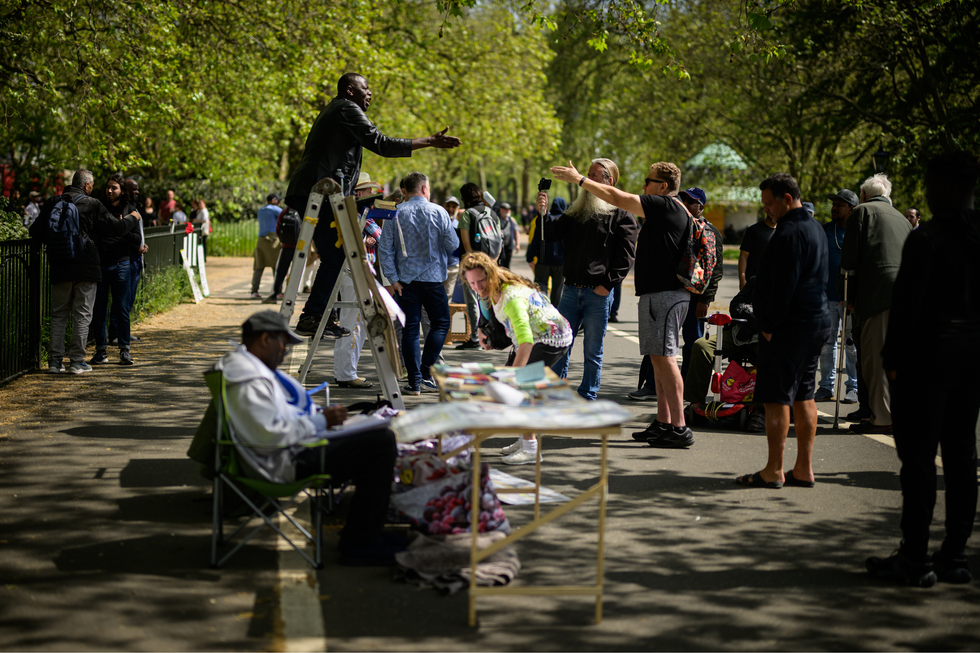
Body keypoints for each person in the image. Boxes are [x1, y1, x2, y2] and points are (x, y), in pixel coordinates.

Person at [866, 151, 979, 587]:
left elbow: (907, 309)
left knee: (917, 462)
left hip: (927, 362)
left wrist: (893, 363)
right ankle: (955, 555)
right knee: (962, 457)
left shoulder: (928, 239)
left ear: (943, 187)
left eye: (931, 185)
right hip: (972, 360)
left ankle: (915, 556)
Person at [214, 310, 401, 566]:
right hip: (285, 461)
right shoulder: (248, 379)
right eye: (283, 343)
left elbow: (275, 421)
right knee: (380, 443)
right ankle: (361, 541)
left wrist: (322, 420)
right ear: (265, 339)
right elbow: (270, 434)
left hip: (290, 451)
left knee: (375, 433)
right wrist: (321, 421)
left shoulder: (248, 369)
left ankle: (368, 534)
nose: (286, 351)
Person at [282, 72, 460, 338]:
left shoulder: (338, 111)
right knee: (336, 256)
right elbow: (382, 143)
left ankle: (314, 315)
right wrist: (429, 142)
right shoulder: (346, 108)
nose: (370, 93)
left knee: (334, 256)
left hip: (317, 190)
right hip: (319, 191)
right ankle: (314, 314)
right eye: (365, 88)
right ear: (350, 90)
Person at [550, 160, 690, 448]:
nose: (643, 187)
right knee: (658, 360)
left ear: (663, 187)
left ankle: (679, 427)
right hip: (654, 294)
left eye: (648, 182)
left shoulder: (666, 205)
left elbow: (617, 199)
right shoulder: (666, 210)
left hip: (665, 295)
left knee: (666, 360)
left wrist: (578, 179)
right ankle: (663, 422)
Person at [734, 173, 830, 488]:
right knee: (804, 395)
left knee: (777, 398)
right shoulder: (816, 228)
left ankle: (773, 469)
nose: (767, 211)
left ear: (786, 199)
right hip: (815, 322)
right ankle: (803, 468)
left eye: (769, 203)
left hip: (788, 326)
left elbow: (781, 287)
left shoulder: (788, 233)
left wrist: (770, 326)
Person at [539, 158, 639, 402]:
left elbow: (626, 257)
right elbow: (551, 235)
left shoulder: (623, 214)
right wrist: (543, 213)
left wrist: (607, 285)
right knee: (560, 345)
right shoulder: (576, 210)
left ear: (609, 182)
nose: (588, 179)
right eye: (588, 174)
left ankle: (588, 395)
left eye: (594, 176)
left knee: (593, 350)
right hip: (571, 290)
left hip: (598, 293)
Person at [461, 251, 573, 465]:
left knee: (521, 389)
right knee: (512, 384)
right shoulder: (495, 285)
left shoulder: (511, 298)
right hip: (533, 336)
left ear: (491, 274)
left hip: (550, 338)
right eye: (472, 283)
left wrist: (515, 378)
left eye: (481, 281)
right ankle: (525, 439)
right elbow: (499, 322)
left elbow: (526, 342)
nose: (477, 287)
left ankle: (531, 449)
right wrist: (483, 331)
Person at [28, 169, 141, 374]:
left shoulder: (54, 202)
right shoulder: (92, 204)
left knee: (59, 315)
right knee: (82, 314)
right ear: (87, 186)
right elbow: (116, 228)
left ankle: (54, 362)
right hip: (87, 268)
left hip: (60, 265)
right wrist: (134, 218)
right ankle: (77, 362)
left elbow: (34, 231)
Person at [840, 173, 912, 435]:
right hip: (905, 295)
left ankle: (882, 418)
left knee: (874, 358)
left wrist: (847, 296)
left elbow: (849, 261)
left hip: (876, 295)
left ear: (863, 195)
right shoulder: (902, 219)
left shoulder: (862, 212)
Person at [378, 171, 458, 395]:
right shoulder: (439, 212)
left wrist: (392, 279)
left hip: (405, 282)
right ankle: (425, 372)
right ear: (424, 189)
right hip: (433, 280)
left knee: (410, 330)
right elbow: (452, 243)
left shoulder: (394, 213)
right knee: (441, 324)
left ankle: (413, 381)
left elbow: (384, 249)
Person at [332, 173, 385, 389]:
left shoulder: (352, 212)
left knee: (351, 321)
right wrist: (367, 240)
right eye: (369, 191)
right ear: (359, 192)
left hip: (351, 271)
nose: (372, 195)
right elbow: (380, 235)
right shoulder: (358, 213)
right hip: (356, 271)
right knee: (354, 323)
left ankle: (343, 371)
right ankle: (346, 374)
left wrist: (366, 240)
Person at [90, 172, 143, 366]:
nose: (110, 190)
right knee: (99, 309)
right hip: (102, 264)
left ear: (121, 191)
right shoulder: (100, 208)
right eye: (108, 187)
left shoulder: (130, 209)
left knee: (121, 308)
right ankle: (101, 351)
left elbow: (137, 241)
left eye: (114, 188)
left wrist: (123, 229)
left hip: (122, 264)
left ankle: (124, 350)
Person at [814, 189, 860, 403]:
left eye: (840, 205)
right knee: (826, 344)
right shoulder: (824, 230)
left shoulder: (858, 231)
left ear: (851, 208)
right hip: (826, 297)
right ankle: (825, 386)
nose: (834, 207)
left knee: (850, 345)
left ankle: (854, 387)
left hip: (849, 299)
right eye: (834, 204)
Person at [455, 182, 500, 350]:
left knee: (473, 301)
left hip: (473, 265)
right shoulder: (492, 214)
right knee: (491, 299)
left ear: (464, 199)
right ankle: (494, 335)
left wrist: (472, 265)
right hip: (491, 264)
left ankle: (475, 337)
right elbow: (499, 240)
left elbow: (466, 245)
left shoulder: (467, 215)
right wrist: (492, 261)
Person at [525, 197, 566, 309]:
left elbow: (536, 239)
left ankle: (541, 309)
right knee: (557, 290)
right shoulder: (565, 222)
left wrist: (530, 257)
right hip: (560, 262)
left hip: (543, 260)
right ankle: (555, 312)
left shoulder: (545, 220)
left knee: (541, 286)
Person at [251, 193, 283, 301]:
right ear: (273, 200)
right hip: (273, 240)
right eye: (278, 201)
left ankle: (254, 291)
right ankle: (278, 291)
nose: (279, 203)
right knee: (276, 267)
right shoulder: (276, 209)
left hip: (261, 240)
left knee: (259, 266)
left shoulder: (261, 210)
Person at [738, 209, 777, 290]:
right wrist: (742, 278)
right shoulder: (754, 230)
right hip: (753, 282)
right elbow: (743, 256)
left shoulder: (783, 231)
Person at [496, 202, 521, 269]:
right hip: (498, 246)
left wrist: (517, 244)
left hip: (508, 246)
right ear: (501, 210)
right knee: (498, 264)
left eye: (509, 209)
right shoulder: (496, 219)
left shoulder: (512, 220)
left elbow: (516, 232)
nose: (507, 211)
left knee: (507, 265)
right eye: (505, 209)